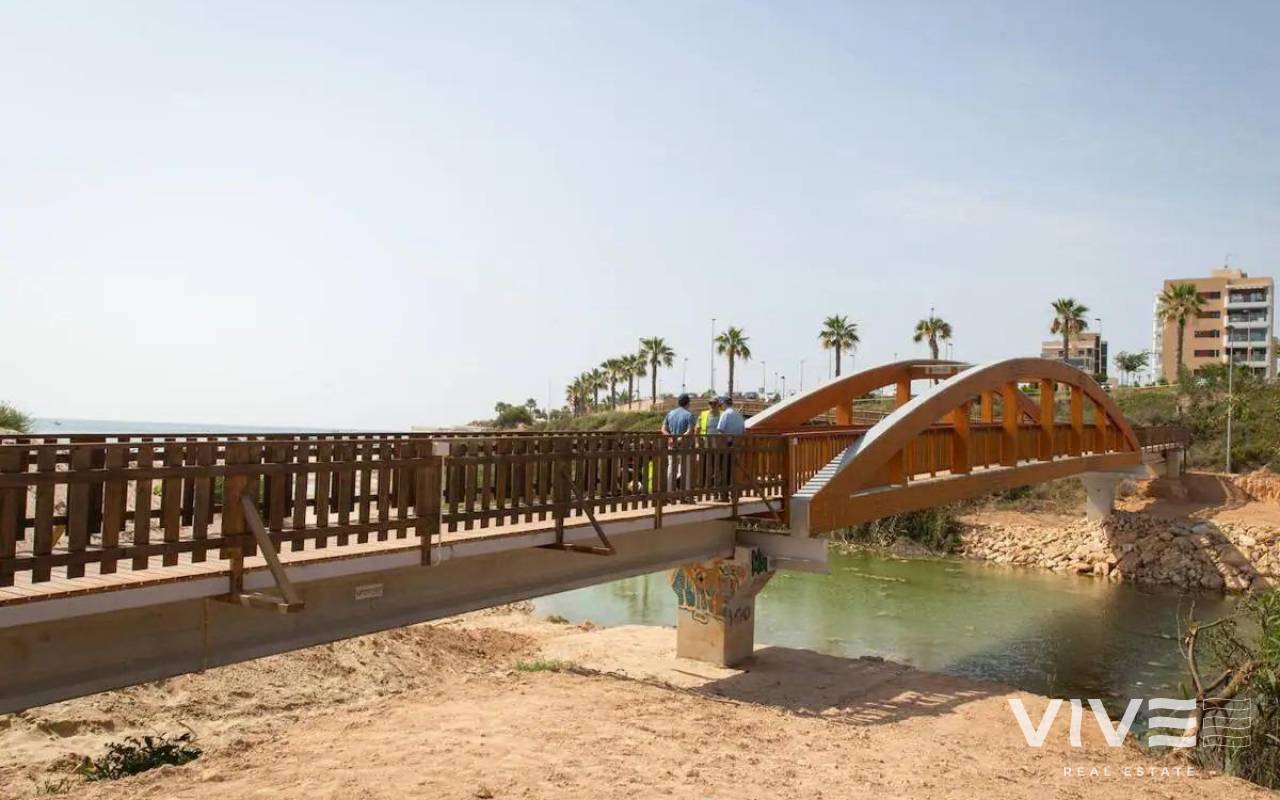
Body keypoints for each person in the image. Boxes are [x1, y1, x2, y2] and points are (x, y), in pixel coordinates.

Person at [661, 394, 695, 492]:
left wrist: (670, 438)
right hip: (685, 446)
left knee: (671, 468)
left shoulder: (670, 413)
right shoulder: (689, 415)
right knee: (685, 469)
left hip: (671, 445)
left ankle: (669, 491)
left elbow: (663, 429)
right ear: (688, 403)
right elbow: (689, 431)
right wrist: (679, 439)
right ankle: (685, 492)